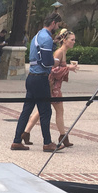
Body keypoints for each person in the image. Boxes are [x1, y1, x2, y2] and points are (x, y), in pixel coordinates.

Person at [10, 12, 63, 152]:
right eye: (57, 24)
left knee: (26, 111)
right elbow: (46, 62)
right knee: (45, 111)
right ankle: (47, 143)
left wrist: (54, 43)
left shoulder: (37, 35)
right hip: (40, 78)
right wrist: (55, 62)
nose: (57, 27)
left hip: (31, 77)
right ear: (53, 23)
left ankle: (17, 140)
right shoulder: (47, 38)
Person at [21, 30, 79, 148]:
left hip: (54, 86)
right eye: (72, 39)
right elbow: (52, 69)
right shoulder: (59, 52)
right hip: (53, 87)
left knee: (41, 111)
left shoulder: (62, 52)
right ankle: (63, 136)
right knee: (58, 111)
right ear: (65, 40)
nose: (74, 42)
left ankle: (26, 133)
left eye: (74, 40)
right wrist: (68, 68)